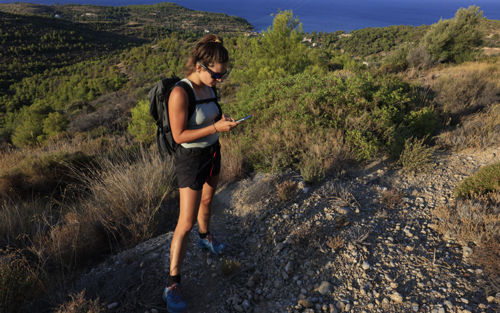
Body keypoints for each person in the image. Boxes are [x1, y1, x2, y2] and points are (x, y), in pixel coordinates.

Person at [162, 34, 238, 313]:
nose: (220, 80)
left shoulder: (210, 89)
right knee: (184, 223)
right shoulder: (180, 93)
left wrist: (221, 122)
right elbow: (180, 135)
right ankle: (172, 283)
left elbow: (209, 118)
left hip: (212, 153)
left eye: (223, 75)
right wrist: (215, 129)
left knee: (208, 202)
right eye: (216, 75)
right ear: (199, 67)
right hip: (190, 159)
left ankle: (206, 237)